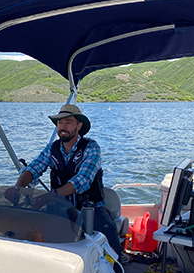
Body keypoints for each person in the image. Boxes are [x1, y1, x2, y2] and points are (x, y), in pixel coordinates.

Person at [10, 104, 123, 258]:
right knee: (32, 235)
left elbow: (83, 179)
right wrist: (18, 188)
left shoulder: (91, 148)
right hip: (60, 208)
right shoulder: (51, 149)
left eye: (68, 122)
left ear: (79, 125)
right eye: (60, 123)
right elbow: (33, 169)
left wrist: (53, 195)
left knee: (110, 247)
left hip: (91, 208)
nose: (63, 127)